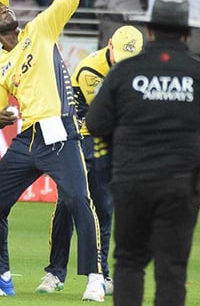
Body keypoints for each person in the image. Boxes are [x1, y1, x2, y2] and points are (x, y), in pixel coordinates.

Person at [0, 0, 105, 301]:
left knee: (78, 200)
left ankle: (94, 277)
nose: (5, 10)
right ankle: (1, 279)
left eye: (5, 7)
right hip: (28, 139)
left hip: (60, 131)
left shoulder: (41, 29)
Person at [86, 0, 200, 306]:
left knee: (129, 261)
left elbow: (94, 123)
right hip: (180, 186)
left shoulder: (124, 72)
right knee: (171, 267)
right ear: (187, 33)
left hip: (131, 181)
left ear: (150, 31)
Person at [36, 25, 144, 296]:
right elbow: (103, 117)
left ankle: (103, 275)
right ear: (109, 45)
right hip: (81, 140)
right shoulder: (91, 71)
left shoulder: (141, 71)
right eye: (119, 56)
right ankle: (54, 273)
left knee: (105, 210)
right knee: (68, 205)